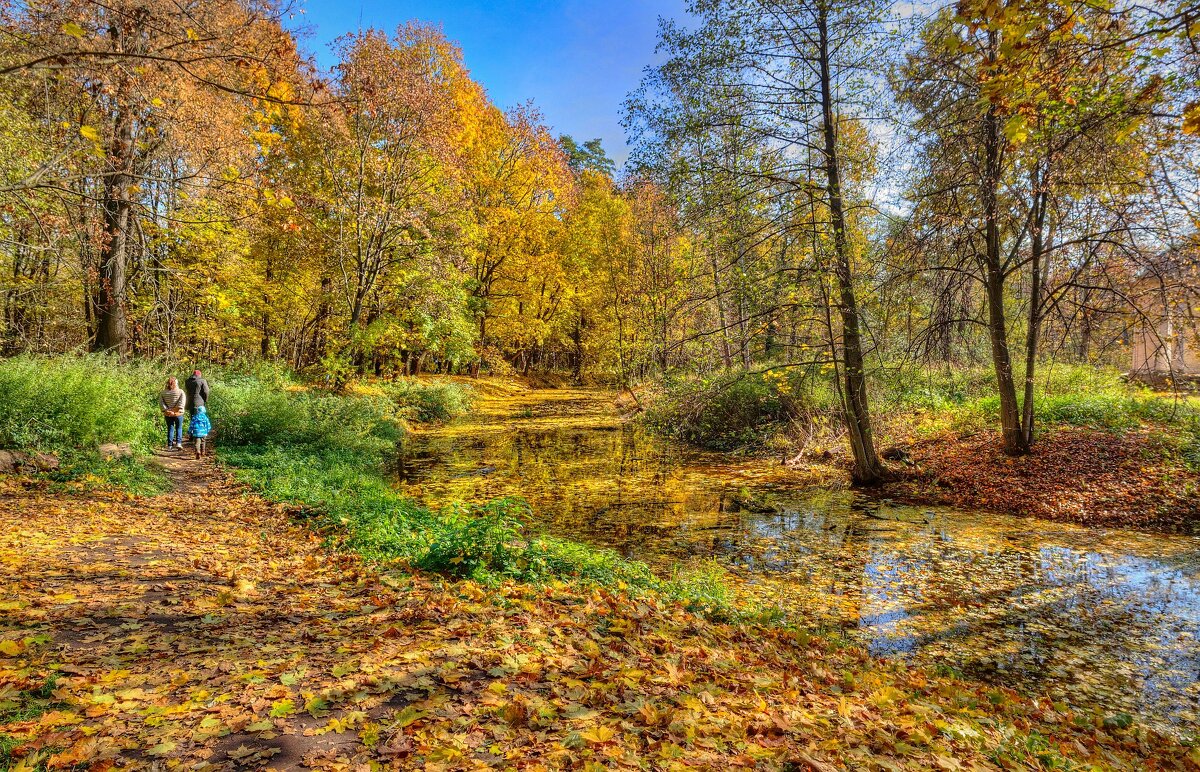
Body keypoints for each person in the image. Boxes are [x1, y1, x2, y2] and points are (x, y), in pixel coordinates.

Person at [159, 377, 186, 451]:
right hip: (178, 413)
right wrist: (175, 411)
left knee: (170, 428)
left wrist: (167, 411)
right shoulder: (180, 392)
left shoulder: (163, 392)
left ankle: (170, 446)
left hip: (168, 414)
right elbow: (181, 403)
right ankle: (178, 443)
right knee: (179, 428)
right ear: (176, 383)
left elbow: (161, 403)